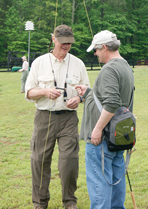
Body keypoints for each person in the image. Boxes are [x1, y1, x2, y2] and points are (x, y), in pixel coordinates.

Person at [25, 25, 90, 209]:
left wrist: (79, 98)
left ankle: (69, 202)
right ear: (53, 39)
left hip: (69, 119)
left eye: (69, 43)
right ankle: (40, 203)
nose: (66, 46)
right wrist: (45, 91)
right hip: (44, 117)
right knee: (40, 160)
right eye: (63, 42)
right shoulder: (39, 63)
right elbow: (29, 92)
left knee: (69, 161)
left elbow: (87, 91)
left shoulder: (78, 63)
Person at [75, 30, 134, 209]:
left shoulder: (109, 69)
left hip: (103, 139)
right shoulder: (125, 66)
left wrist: (97, 129)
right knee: (116, 182)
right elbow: (116, 99)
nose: (95, 54)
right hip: (117, 137)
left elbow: (112, 102)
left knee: (100, 186)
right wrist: (88, 93)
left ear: (105, 48)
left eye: (96, 50)